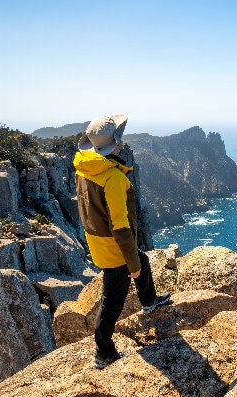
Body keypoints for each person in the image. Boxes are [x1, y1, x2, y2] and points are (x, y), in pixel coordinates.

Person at [73, 114, 170, 369]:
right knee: (112, 299)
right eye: (118, 138)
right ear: (114, 143)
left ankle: (149, 302)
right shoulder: (112, 178)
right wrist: (131, 263)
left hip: (96, 239)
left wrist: (136, 260)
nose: (121, 142)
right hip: (113, 245)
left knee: (144, 260)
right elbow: (121, 225)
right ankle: (103, 351)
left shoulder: (84, 167)